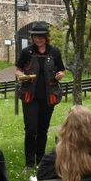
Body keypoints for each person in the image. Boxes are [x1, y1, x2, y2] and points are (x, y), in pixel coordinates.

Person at [15, 21, 65, 171]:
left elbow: (61, 70)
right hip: (30, 96)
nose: (39, 39)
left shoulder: (54, 52)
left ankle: (41, 161)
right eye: (36, 36)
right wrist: (21, 76)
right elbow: (17, 69)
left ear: (46, 37)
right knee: (31, 129)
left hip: (48, 96)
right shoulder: (27, 52)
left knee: (43, 129)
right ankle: (29, 163)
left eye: (41, 36)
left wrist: (60, 75)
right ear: (33, 37)